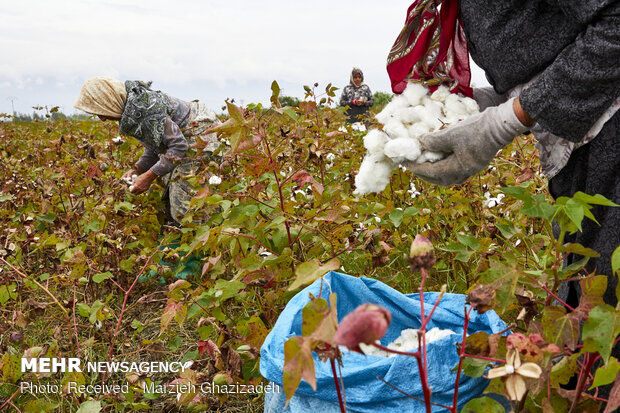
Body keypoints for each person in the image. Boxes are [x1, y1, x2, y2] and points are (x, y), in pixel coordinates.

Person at [388, 0, 619, 406]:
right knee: (588, 315)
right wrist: (487, 103)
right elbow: (553, 43)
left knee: (604, 334)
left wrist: (511, 117)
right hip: (588, 152)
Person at [74, 77, 221, 226]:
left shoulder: (145, 109)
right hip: (183, 140)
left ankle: (201, 238)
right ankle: (178, 235)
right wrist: (138, 169)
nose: (102, 119)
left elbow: (178, 146)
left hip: (200, 136)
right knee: (171, 190)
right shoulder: (132, 108)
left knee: (185, 202)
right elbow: (155, 144)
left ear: (109, 102)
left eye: (101, 112)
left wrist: (149, 177)